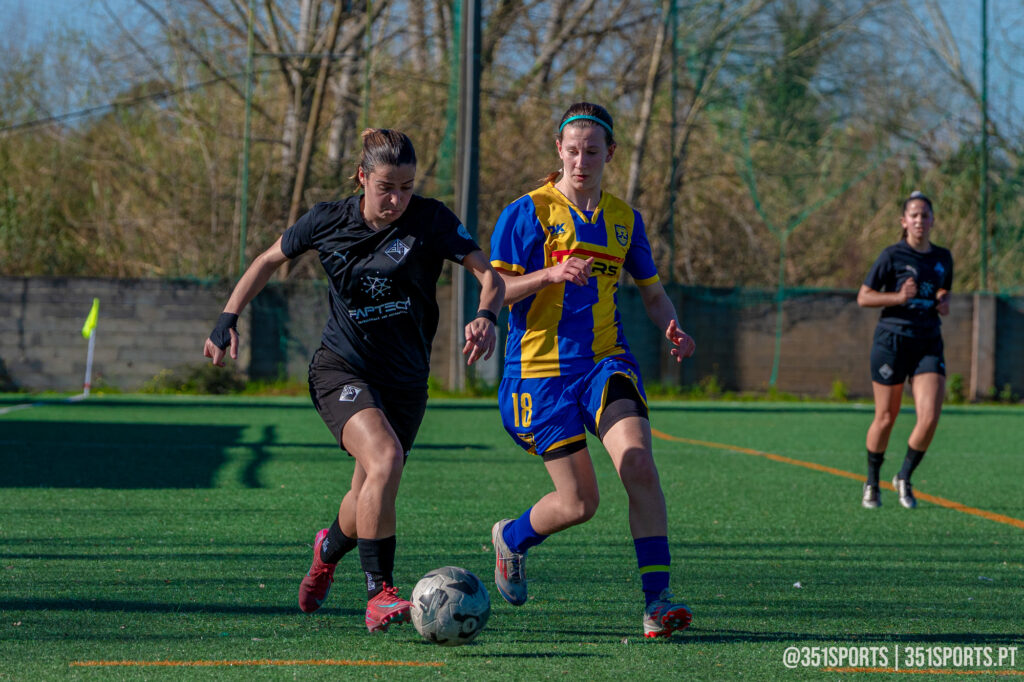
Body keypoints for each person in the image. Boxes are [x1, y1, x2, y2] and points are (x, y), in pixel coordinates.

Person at [203, 128, 504, 632]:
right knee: (384, 459)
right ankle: (379, 592)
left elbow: (488, 273)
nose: (397, 199)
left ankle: (327, 551)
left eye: (406, 187)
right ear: (362, 177)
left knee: (368, 489)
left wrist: (486, 316)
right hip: (341, 368)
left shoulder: (431, 219)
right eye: (386, 187)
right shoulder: (327, 220)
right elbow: (267, 260)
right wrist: (227, 317)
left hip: (406, 381)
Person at [487, 102, 696, 639]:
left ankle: (657, 603)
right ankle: (512, 538)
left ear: (610, 154)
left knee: (639, 464)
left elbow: (654, 295)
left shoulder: (625, 219)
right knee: (580, 503)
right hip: (538, 373)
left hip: (605, 362)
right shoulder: (527, 212)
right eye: (574, 151)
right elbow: (496, 289)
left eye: (593, 152)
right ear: (559, 150)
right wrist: (550, 274)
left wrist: (671, 325)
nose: (582, 162)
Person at [857, 190, 952, 510]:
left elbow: (943, 290)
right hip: (892, 341)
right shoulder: (892, 256)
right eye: (914, 215)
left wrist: (943, 301)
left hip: (928, 342)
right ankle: (872, 481)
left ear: (933, 220)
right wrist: (898, 297)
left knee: (930, 417)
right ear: (904, 221)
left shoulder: (943, 257)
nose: (920, 220)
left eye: (925, 215)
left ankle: (904, 476)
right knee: (886, 417)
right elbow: (864, 297)